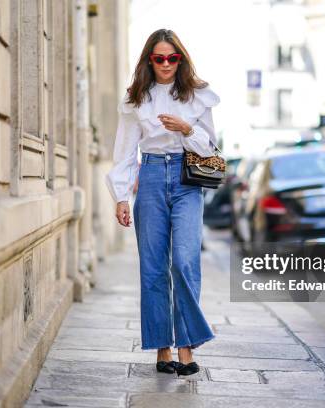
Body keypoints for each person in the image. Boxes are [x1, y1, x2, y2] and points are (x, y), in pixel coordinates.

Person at [105, 28, 219, 376]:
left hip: (187, 181)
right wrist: (121, 196)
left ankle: (187, 346)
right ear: (149, 60)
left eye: (172, 58)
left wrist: (186, 129)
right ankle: (163, 349)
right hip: (151, 176)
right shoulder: (137, 97)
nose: (166, 64)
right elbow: (125, 151)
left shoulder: (197, 95)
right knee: (153, 268)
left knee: (184, 262)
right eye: (159, 58)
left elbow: (210, 149)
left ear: (180, 59)